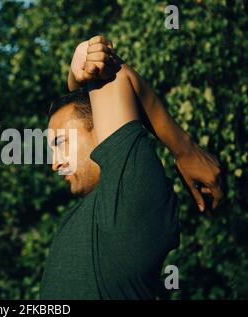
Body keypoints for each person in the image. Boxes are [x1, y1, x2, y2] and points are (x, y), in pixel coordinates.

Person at [40, 35, 223, 299]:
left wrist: (186, 150)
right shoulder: (92, 214)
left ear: (100, 131)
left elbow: (110, 76)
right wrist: (76, 76)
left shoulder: (126, 201)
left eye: (61, 142)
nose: (55, 162)